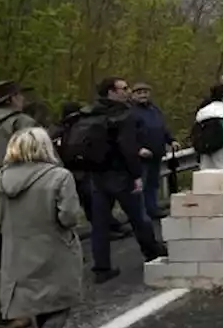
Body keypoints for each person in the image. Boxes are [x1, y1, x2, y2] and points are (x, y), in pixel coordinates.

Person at [0, 128, 83, 328]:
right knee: (61, 300)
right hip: (55, 247)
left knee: (39, 300)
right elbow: (69, 217)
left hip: (17, 251)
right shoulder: (58, 176)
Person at [62, 77, 165, 283]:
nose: (127, 91)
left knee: (100, 224)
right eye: (123, 88)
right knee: (139, 217)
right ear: (112, 92)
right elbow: (128, 148)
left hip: (96, 175)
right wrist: (136, 175)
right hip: (120, 175)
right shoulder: (123, 115)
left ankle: (101, 268)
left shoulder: (88, 113)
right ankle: (153, 253)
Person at [0, 80, 38, 328]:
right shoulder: (19, 123)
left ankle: (11, 311)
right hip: (11, 198)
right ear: (12, 99)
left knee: (2, 254)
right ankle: (9, 315)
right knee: (18, 258)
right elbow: (37, 163)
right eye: (19, 95)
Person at [129, 83, 178, 220]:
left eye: (145, 92)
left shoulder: (154, 109)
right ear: (133, 95)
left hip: (156, 152)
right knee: (140, 186)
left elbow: (162, 127)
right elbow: (128, 135)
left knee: (153, 183)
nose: (143, 95)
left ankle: (153, 209)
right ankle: (140, 214)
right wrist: (138, 149)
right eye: (139, 92)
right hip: (140, 156)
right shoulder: (130, 112)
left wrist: (171, 140)